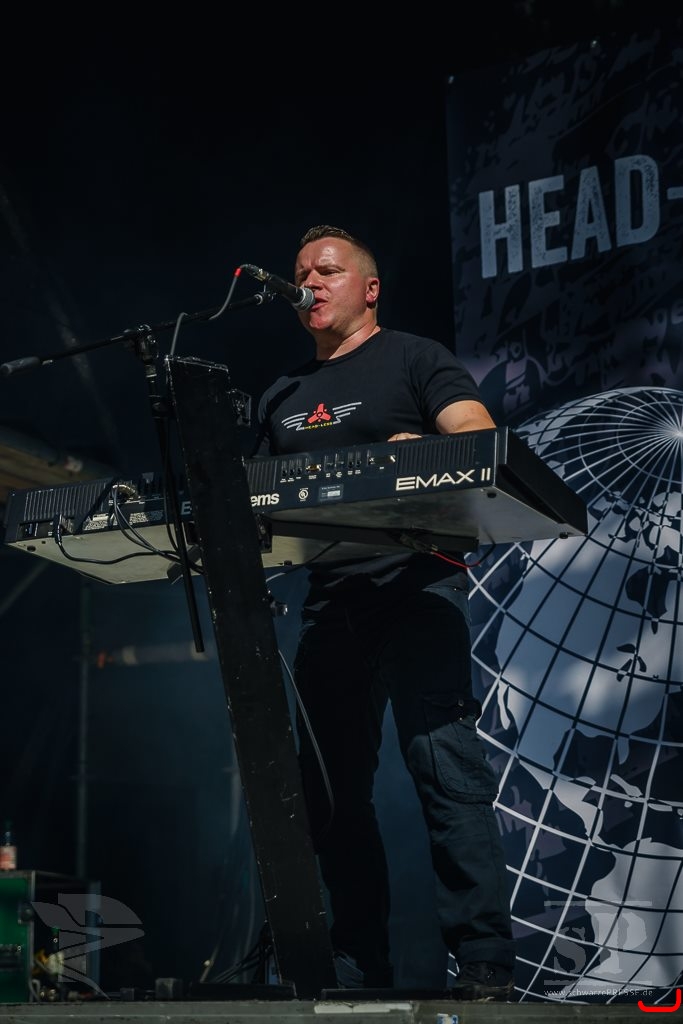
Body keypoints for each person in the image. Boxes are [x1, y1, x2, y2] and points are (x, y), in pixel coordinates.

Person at [253, 225, 516, 1001]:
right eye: (301, 272)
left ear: (369, 290)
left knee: (444, 771)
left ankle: (483, 961)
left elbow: (475, 437)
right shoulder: (280, 396)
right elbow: (252, 503)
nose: (308, 282)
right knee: (330, 794)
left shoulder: (413, 357)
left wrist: (418, 455)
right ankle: (354, 963)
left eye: (327, 270)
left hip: (418, 590)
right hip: (330, 607)